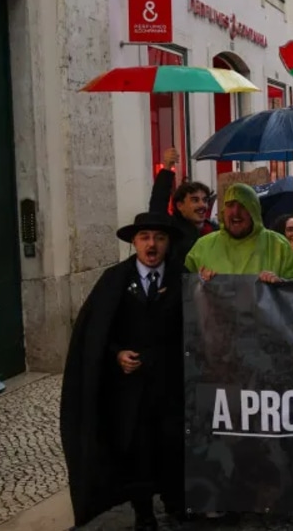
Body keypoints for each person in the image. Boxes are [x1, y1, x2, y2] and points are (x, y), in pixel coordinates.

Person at [61, 213, 186, 530]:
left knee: (172, 444)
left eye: (159, 237)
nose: (152, 244)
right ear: (134, 242)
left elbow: (196, 326)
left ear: (168, 242)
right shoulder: (114, 279)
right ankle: (143, 511)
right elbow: (95, 334)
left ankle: (176, 500)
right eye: (145, 237)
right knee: (137, 449)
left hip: (170, 383)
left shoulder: (181, 277)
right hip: (130, 390)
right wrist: (117, 354)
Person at [184, 183, 293, 281]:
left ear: (254, 211)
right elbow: (183, 293)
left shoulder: (279, 246)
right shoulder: (202, 247)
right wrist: (198, 282)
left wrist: (279, 283)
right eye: (230, 205)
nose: (236, 212)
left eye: (243, 205)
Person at [149, 147, 214, 270]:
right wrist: (167, 169)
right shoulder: (173, 230)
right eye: (195, 200)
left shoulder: (215, 230)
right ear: (180, 206)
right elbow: (157, 209)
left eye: (205, 200)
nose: (202, 205)